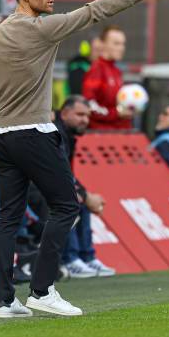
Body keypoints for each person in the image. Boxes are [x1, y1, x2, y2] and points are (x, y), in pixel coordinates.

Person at [0, 0, 169, 318]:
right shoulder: (40, 29)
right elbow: (92, 12)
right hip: (32, 132)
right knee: (68, 205)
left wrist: (9, 111)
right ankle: (42, 290)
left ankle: (5, 302)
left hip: (3, 135)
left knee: (8, 218)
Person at [54, 96, 115, 278]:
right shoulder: (56, 133)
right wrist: (85, 195)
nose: (85, 120)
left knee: (78, 197)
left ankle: (86, 257)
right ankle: (70, 258)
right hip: (36, 188)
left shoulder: (68, 135)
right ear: (64, 114)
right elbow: (59, 172)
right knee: (73, 199)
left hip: (53, 183)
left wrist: (85, 194)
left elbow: (66, 173)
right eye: (80, 114)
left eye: (87, 116)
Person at [82, 25, 133, 130]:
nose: (121, 48)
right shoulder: (97, 69)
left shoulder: (116, 71)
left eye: (123, 44)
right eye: (116, 43)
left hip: (119, 133)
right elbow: (89, 105)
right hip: (101, 136)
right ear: (102, 44)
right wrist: (117, 113)